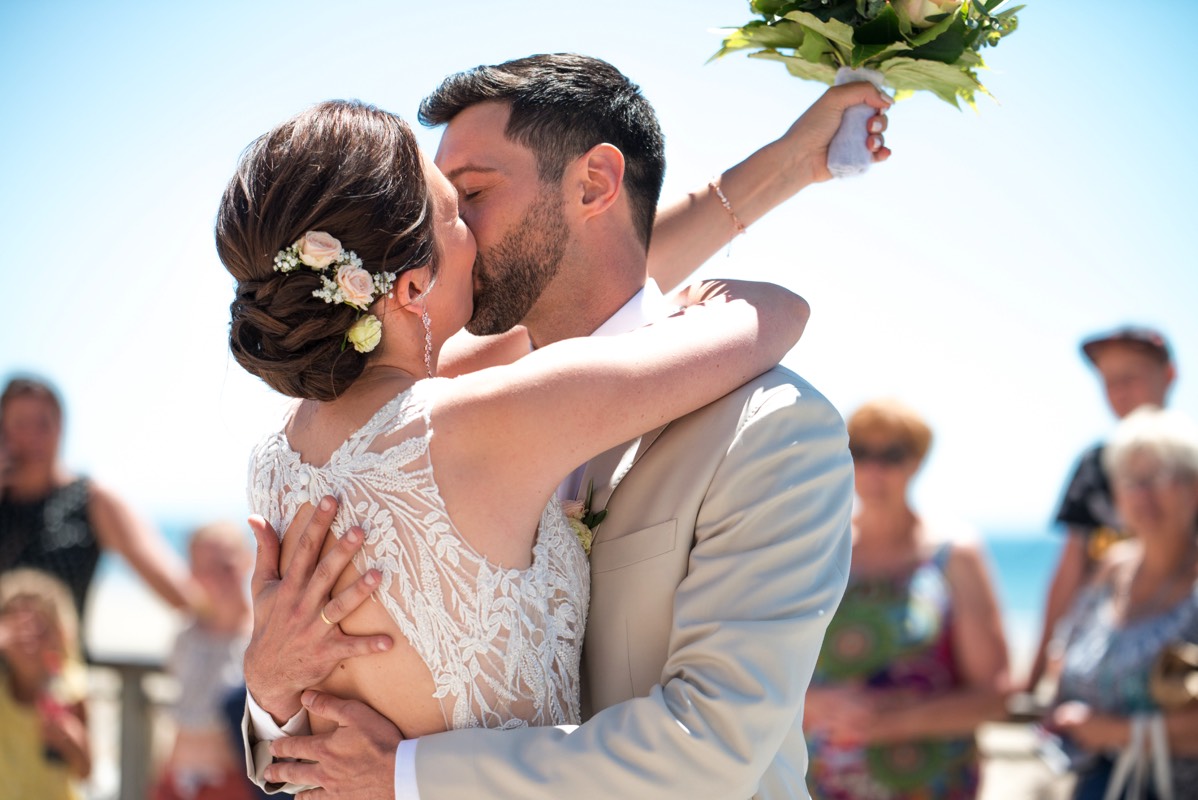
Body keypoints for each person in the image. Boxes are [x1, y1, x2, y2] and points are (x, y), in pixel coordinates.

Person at [244, 53, 890, 798]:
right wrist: (267, 688)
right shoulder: (441, 414)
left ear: (593, 184)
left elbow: (709, 748)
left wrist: (408, 777)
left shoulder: (771, 429)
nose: (451, 234)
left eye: (471, 196)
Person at [802, 398, 1009, 799]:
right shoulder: (817, 547)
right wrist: (817, 705)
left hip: (930, 779)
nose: (874, 469)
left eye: (892, 455)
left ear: (916, 463)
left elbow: (996, 694)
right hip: (824, 778)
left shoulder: (954, 554)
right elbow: (768, 665)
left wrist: (891, 723)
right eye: (860, 452)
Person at [1045, 406, 1198, 800]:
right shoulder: (1112, 568)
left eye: (1161, 477)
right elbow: (1064, 653)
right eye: (1131, 480)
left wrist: (1115, 732)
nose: (1143, 494)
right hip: (1099, 783)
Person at [1028, 327, 1177, 694]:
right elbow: (1069, 573)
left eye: (1131, 377)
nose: (1120, 391)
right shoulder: (1095, 465)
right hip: (1102, 657)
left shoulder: (1188, 463)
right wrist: (1033, 677)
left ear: (1169, 375)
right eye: (1109, 381)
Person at [0, 376, 199, 637]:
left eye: (43, 423)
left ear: (61, 427)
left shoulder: (91, 499)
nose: (33, 436)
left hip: (60, 671)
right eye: (21, 424)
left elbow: (178, 590)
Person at [152, 521, 261, 800]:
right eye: (205, 569)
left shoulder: (261, 636)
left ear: (248, 559)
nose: (217, 578)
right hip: (175, 780)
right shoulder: (185, 635)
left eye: (225, 566)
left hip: (232, 784)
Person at [0, 567, 92, 800]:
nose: (28, 638)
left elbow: (86, 771)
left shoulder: (68, 688)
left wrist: (72, 741)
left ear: (58, 633)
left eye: (39, 629)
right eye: (17, 629)